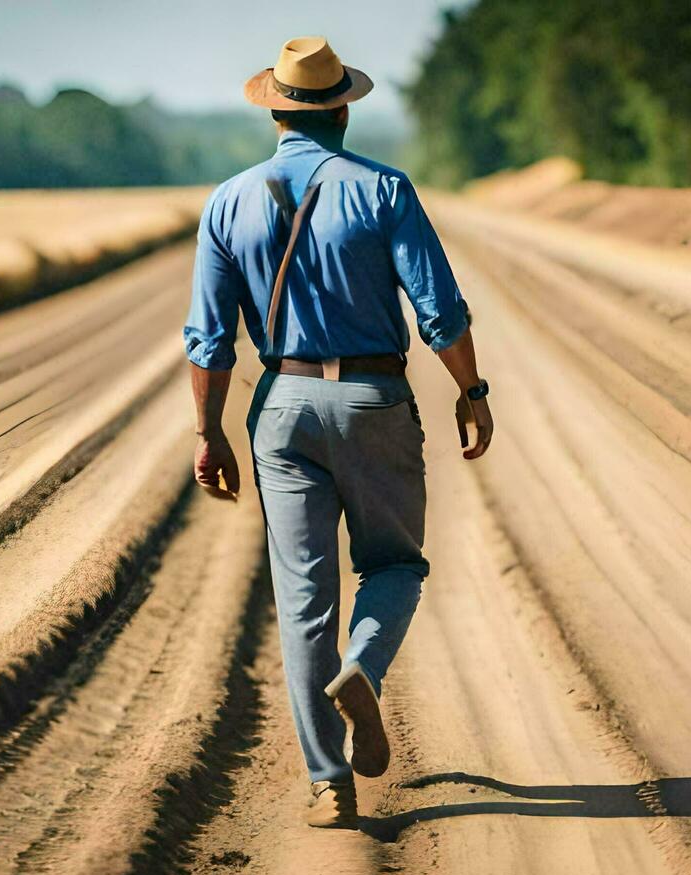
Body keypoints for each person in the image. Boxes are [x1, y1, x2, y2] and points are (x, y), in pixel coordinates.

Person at [183, 36, 494, 828]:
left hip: (281, 409)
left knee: (302, 599)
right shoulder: (384, 189)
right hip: (372, 399)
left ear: (275, 111)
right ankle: (363, 667)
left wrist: (209, 433)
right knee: (395, 563)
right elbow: (439, 311)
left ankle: (329, 785)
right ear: (343, 108)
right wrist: (471, 390)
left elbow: (209, 340)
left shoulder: (227, 202)